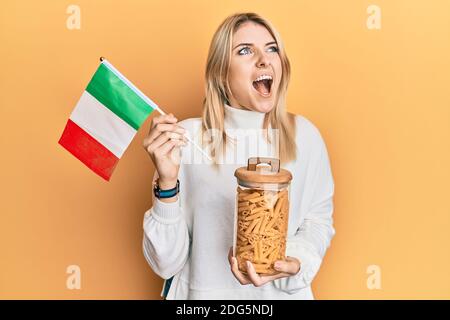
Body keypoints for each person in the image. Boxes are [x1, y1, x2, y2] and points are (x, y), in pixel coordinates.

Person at [142, 12, 335, 300]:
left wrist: (295, 261)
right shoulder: (186, 139)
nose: (263, 59)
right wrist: (167, 184)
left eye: (272, 49)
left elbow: (317, 222)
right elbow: (165, 263)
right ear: (221, 73)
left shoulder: (304, 136)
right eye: (245, 50)